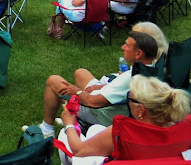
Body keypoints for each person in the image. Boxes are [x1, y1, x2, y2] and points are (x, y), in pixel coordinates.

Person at [33, 31, 159, 135]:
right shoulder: (152, 70)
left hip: (102, 114)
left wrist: (76, 91)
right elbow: (122, 92)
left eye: (127, 45)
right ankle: (73, 120)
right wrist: (102, 86)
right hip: (110, 101)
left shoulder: (130, 78)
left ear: (138, 53)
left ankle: (47, 130)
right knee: (81, 73)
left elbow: (92, 102)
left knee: (53, 81)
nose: (122, 47)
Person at [57, 75, 191, 164]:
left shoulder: (120, 133)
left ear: (141, 110)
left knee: (64, 135)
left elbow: (78, 151)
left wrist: (69, 123)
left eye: (129, 97)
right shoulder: (184, 128)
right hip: (160, 159)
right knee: (95, 129)